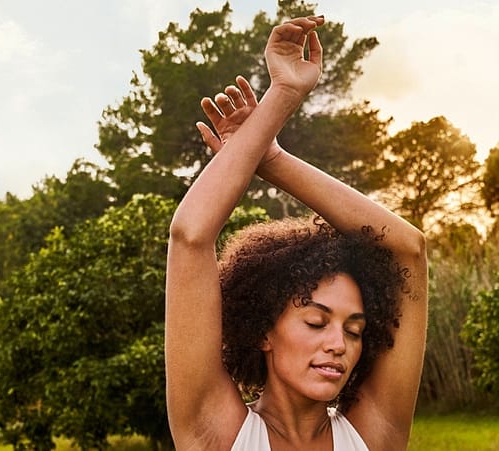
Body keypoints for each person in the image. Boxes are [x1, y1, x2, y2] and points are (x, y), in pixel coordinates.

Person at [165, 15, 428, 451]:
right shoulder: (219, 434)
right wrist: (283, 95)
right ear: (265, 332)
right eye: (316, 320)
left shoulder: (373, 435)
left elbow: (408, 249)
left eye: (354, 330)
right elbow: (190, 236)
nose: (338, 345)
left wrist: (269, 158)